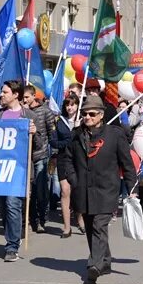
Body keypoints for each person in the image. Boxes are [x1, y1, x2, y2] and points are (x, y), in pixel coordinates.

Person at [62, 95, 137, 284]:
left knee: (99, 225)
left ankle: (94, 265)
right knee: (89, 226)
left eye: (92, 114)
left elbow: (126, 163)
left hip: (107, 188)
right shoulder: (76, 134)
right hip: (83, 189)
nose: (87, 117)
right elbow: (67, 159)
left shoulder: (115, 134)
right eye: (85, 114)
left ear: (101, 115)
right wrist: (73, 179)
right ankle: (105, 260)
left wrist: (131, 188)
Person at [0, 80, 37, 262]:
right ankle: (11, 235)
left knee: (13, 205)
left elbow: (41, 147)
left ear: (15, 94)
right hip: (1, 169)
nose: (2, 95)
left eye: (5, 92)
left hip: (19, 169)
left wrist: (34, 134)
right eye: (1, 92)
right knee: (3, 207)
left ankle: (12, 246)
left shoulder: (29, 115)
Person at [23, 84, 55, 233]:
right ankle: (31, 219)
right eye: (22, 97)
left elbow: (51, 133)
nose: (24, 100)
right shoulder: (22, 112)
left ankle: (42, 219)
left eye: (27, 97)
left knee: (40, 189)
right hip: (26, 156)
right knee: (29, 191)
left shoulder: (45, 111)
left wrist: (52, 154)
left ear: (34, 96)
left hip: (41, 154)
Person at [53, 94, 84, 237]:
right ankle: (66, 227)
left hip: (79, 160)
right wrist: (68, 140)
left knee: (77, 191)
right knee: (65, 191)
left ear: (77, 105)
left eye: (72, 104)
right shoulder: (59, 121)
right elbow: (53, 142)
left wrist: (79, 129)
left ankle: (80, 219)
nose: (70, 107)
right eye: (67, 105)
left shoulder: (83, 120)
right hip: (63, 159)